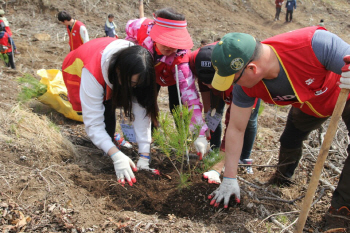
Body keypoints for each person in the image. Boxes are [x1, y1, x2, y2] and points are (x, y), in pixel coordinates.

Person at [207, 27, 350, 228]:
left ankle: (341, 210)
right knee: (290, 140)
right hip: (307, 105)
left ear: (252, 69)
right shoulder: (245, 84)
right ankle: (282, 179)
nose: (233, 86)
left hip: (344, 94)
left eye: (233, 80)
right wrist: (229, 178)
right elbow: (236, 129)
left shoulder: (315, 44)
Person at [62, 38, 159, 186]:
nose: (134, 88)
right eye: (132, 84)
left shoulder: (140, 64)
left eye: (137, 84)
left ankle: (110, 142)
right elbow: (93, 124)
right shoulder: (92, 73)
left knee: (118, 100)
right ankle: (108, 144)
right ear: (119, 71)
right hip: (78, 64)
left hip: (112, 72)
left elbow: (141, 112)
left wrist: (144, 155)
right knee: (105, 108)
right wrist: (116, 156)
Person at [125, 8, 209, 159]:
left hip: (172, 74)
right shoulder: (142, 28)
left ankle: (181, 140)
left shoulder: (181, 61)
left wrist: (200, 133)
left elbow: (190, 96)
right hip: (150, 70)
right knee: (146, 101)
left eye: (174, 43)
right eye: (166, 41)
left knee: (177, 106)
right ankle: (150, 137)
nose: (170, 47)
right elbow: (129, 28)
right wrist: (131, 47)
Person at [189, 43, 261, 183]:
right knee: (215, 113)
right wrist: (206, 125)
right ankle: (215, 150)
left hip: (242, 89)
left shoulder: (243, 82)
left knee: (249, 121)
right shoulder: (196, 60)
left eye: (212, 83)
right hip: (222, 82)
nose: (209, 86)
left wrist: (217, 168)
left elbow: (234, 126)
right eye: (206, 82)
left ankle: (244, 157)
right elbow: (207, 99)